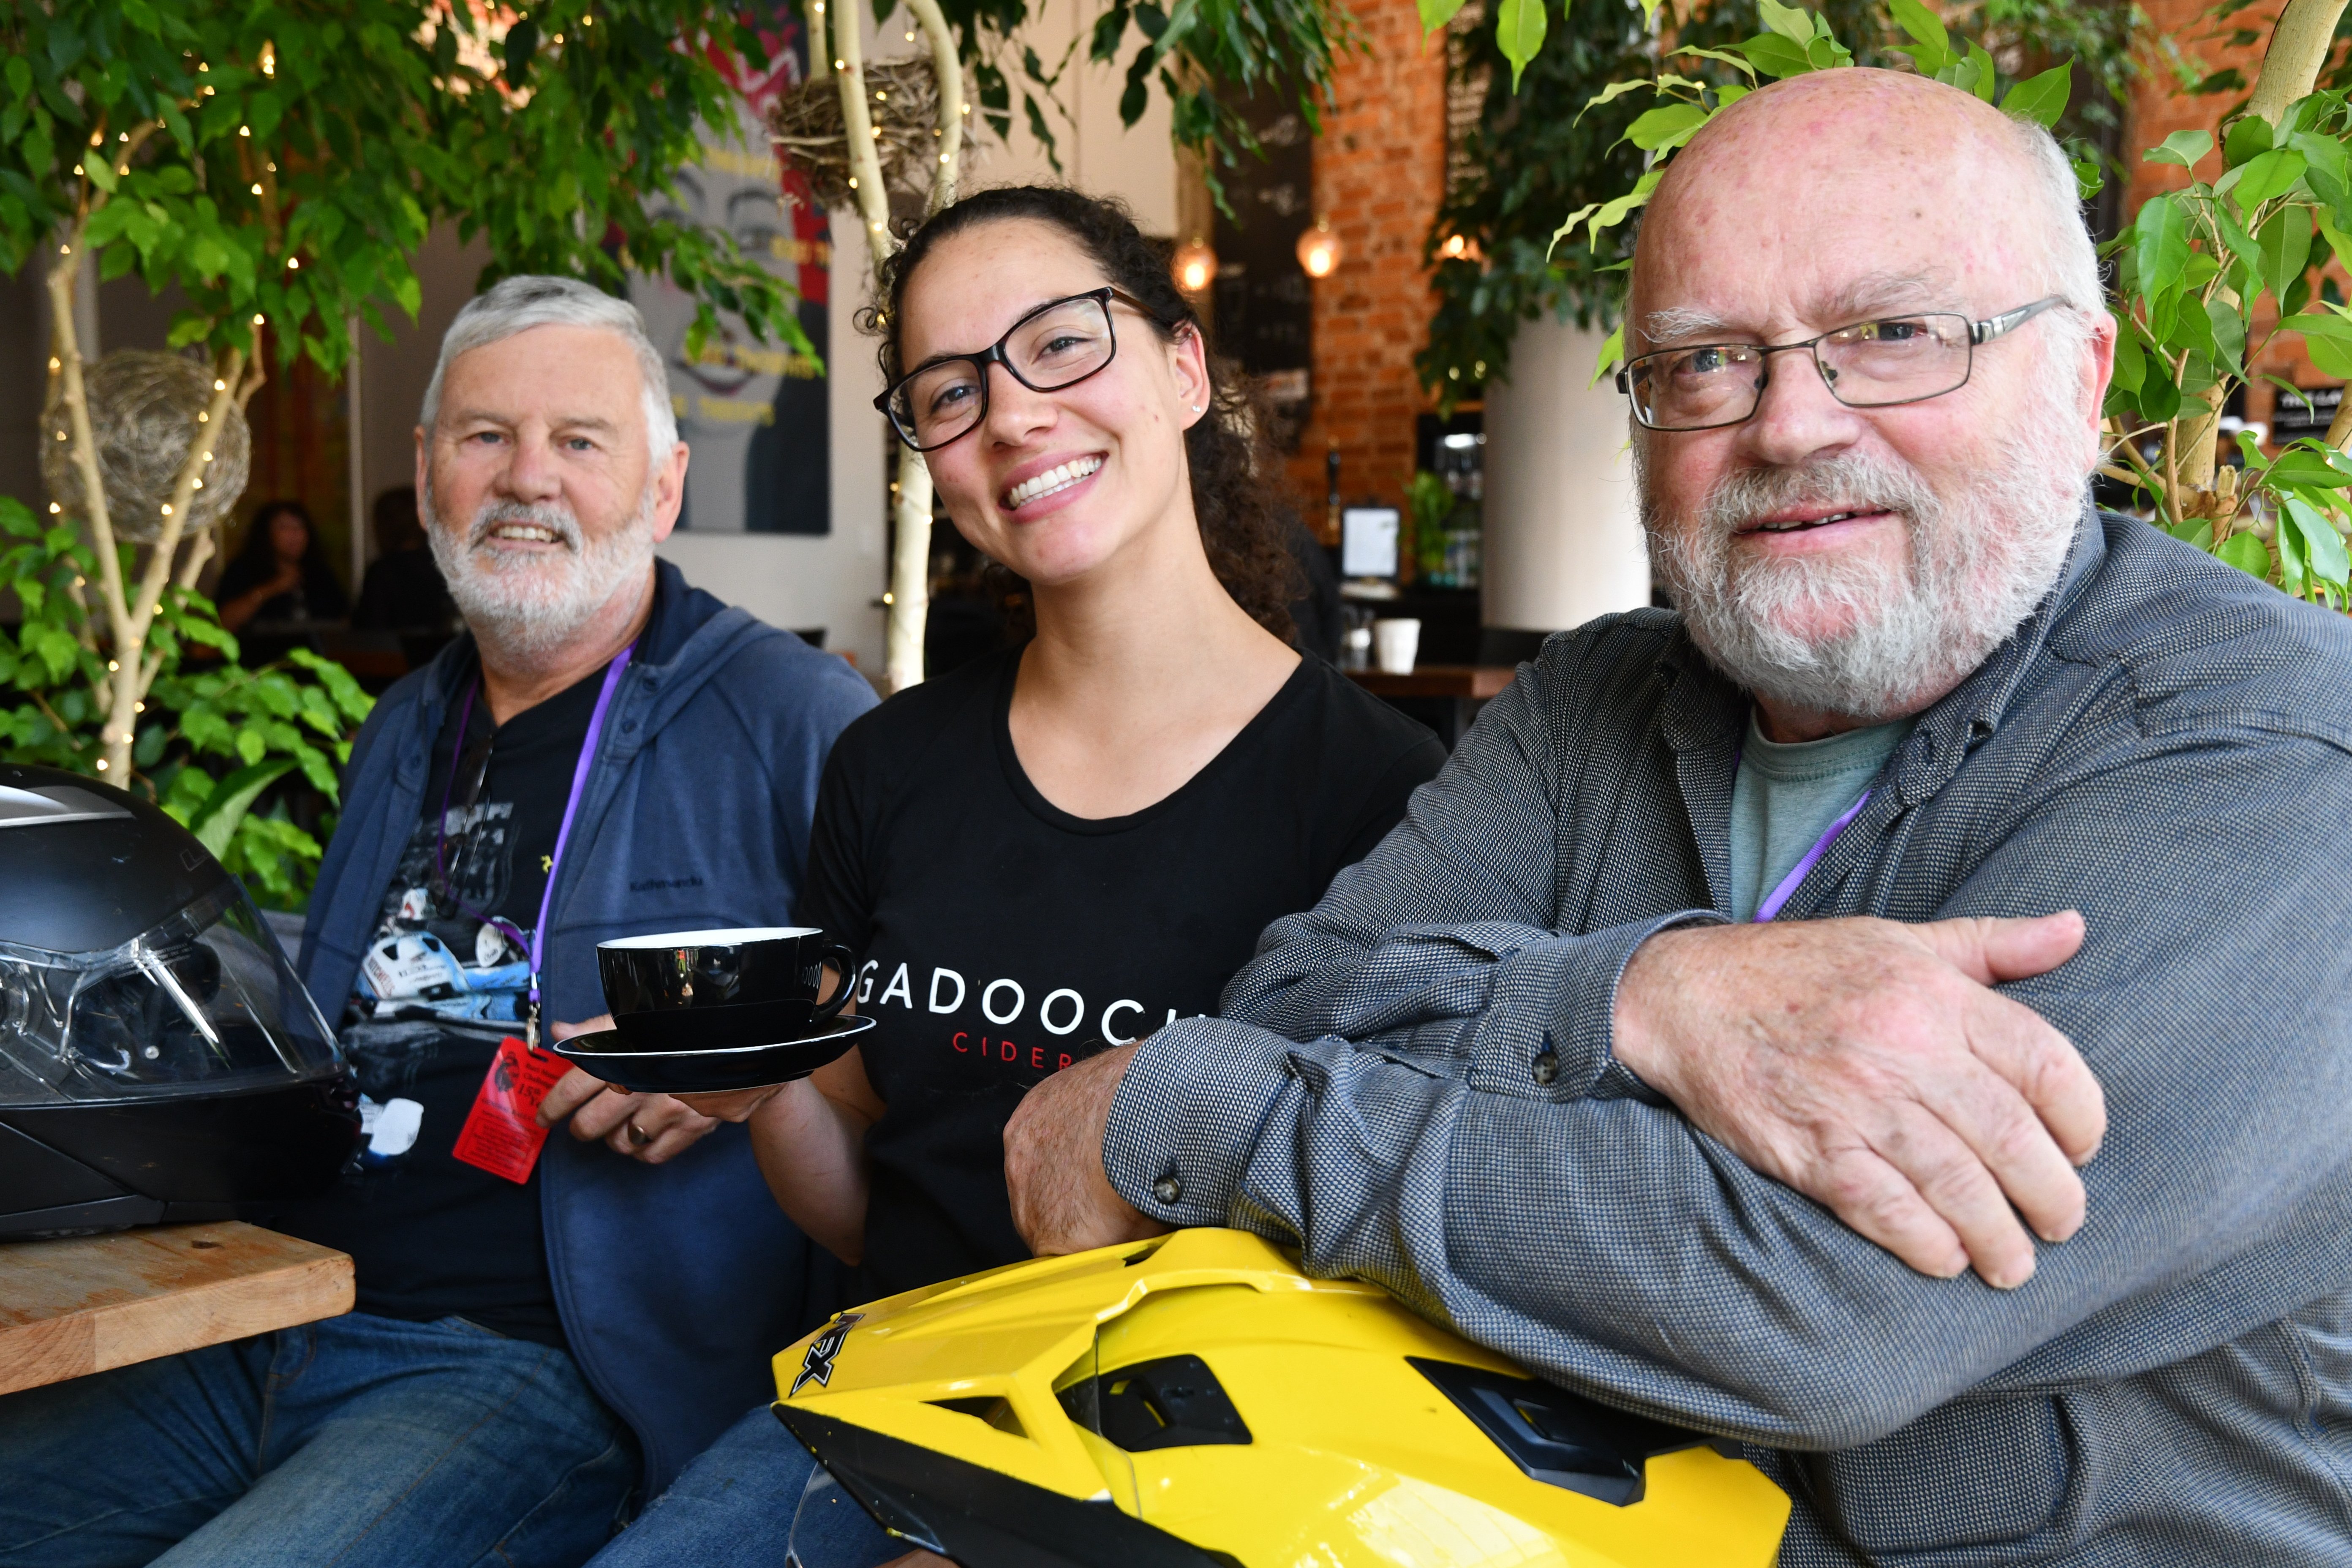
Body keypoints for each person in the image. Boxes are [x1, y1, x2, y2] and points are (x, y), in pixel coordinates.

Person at [1005, 70, 2352, 1565]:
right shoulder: (1598, 694)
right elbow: (1296, 1001)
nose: (1786, 424)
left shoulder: (2266, 747)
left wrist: (1189, 1112)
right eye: (1702, 362)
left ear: (2082, 375)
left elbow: (1820, 1309)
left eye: (1891, 335)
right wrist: (1650, 1000)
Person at [577, 185, 1446, 1564]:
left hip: (1188, 1473)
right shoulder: (886, 767)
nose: (1012, 414)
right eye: (949, 390)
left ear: (1180, 366)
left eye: (1058, 343)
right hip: (881, 1411)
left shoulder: (1384, 797)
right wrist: (761, 1082)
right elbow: (874, 1206)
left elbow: (1377, 1266)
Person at [0, 275, 877, 1567]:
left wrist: (751, 1061)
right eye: (486, 437)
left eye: (579, 441)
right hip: (273, 1313)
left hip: (527, 1372)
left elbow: (914, 1038)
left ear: (664, 485)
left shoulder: (792, 715)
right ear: (426, 479)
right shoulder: (408, 720)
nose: (528, 478)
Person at [214, 497, 352, 663]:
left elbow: (344, 621)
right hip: (260, 665)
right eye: (284, 528)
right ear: (266, 534)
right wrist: (271, 589)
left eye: (300, 527)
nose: (294, 535)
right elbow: (225, 621)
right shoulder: (244, 570)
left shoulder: (320, 572)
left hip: (316, 665)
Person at [352, 483, 459, 640]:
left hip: (395, 660)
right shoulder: (446, 565)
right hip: (444, 658)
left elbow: (369, 633)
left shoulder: (383, 571)